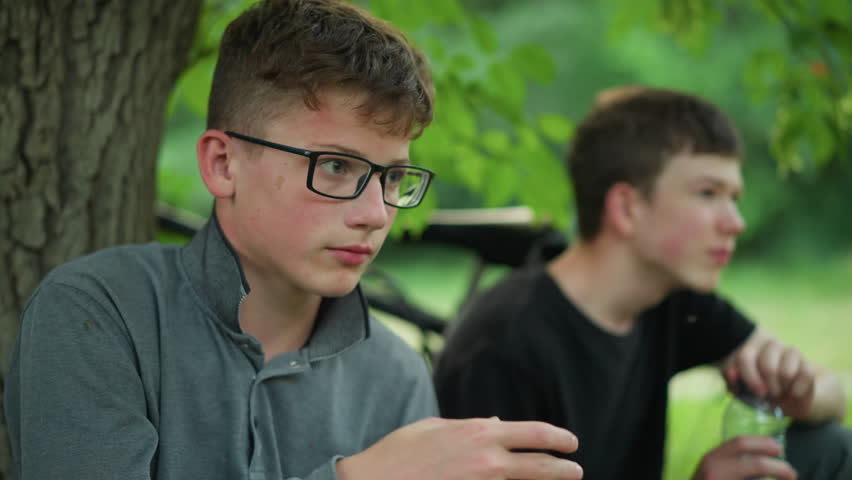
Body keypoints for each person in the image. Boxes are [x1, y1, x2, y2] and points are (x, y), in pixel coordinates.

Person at [3, 1, 585, 479]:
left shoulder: (396, 373)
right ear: (224, 163)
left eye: (391, 176)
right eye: (335, 166)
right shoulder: (98, 313)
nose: (376, 213)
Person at [433, 86, 852, 480]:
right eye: (708, 193)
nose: (735, 223)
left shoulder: (674, 300)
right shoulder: (503, 346)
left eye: (734, 198)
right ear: (627, 207)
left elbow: (834, 396)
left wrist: (801, 393)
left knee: (827, 447)